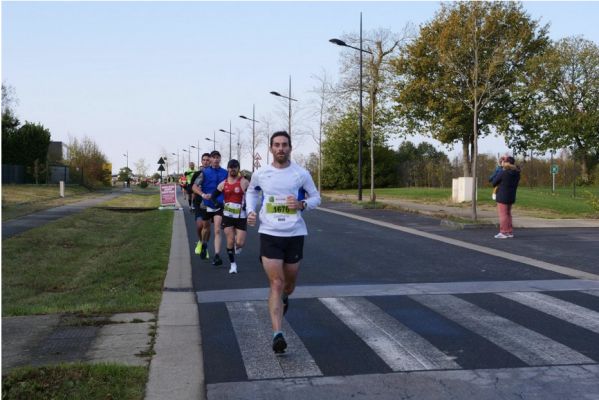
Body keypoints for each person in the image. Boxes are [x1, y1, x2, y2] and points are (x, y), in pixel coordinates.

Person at [246, 131, 321, 354]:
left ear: (290, 148)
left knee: (288, 285)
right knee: (276, 283)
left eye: (284, 145)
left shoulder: (300, 174)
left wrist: (302, 205)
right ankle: (278, 334)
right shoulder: (261, 173)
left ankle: (285, 297)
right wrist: (251, 211)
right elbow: (252, 192)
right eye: (277, 145)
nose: (281, 148)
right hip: (269, 234)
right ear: (271, 148)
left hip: (295, 234)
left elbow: (316, 197)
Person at [210, 159, 249, 274]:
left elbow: (251, 195)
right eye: (231, 167)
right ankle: (233, 265)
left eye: (235, 167)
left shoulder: (244, 182)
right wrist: (217, 204)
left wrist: (248, 205)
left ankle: (238, 247)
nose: (233, 169)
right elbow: (213, 195)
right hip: (227, 216)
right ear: (227, 169)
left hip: (241, 216)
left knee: (240, 242)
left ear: (238, 168)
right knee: (230, 240)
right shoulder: (223, 184)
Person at [195, 151, 227, 265]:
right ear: (211, 159)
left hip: (219, 204)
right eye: (214, 158)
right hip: (206, 204)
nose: (216, 160)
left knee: (217, 230)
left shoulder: (225, 173)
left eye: (218, 158)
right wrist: (202, 194)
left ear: (220, 159)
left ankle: (217, 255)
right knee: (206, 228)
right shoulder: (204, 172)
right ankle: (204, 243)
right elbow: (194, 186)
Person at [491, 155, 521, 239]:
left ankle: (503, 232)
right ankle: (509, 231)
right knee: (508, 214)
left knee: (503, 214)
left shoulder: (503, 172)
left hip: (502, 195)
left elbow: (494, 182)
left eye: (504, 161)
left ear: (506, 163)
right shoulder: (517, 173)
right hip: (511, 195)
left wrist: (500, 168)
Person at [190, 153, 212, 256]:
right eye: (204, 160)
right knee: (199, 225)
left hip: (211, 204)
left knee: (207, 226)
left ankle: (204, 246)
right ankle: (200, 241)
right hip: (199, 203)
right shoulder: (197, 174)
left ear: (210, 161)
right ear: (201, 161)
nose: (206, 161)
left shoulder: (213, 174)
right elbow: (191, 188)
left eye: (208, 160)